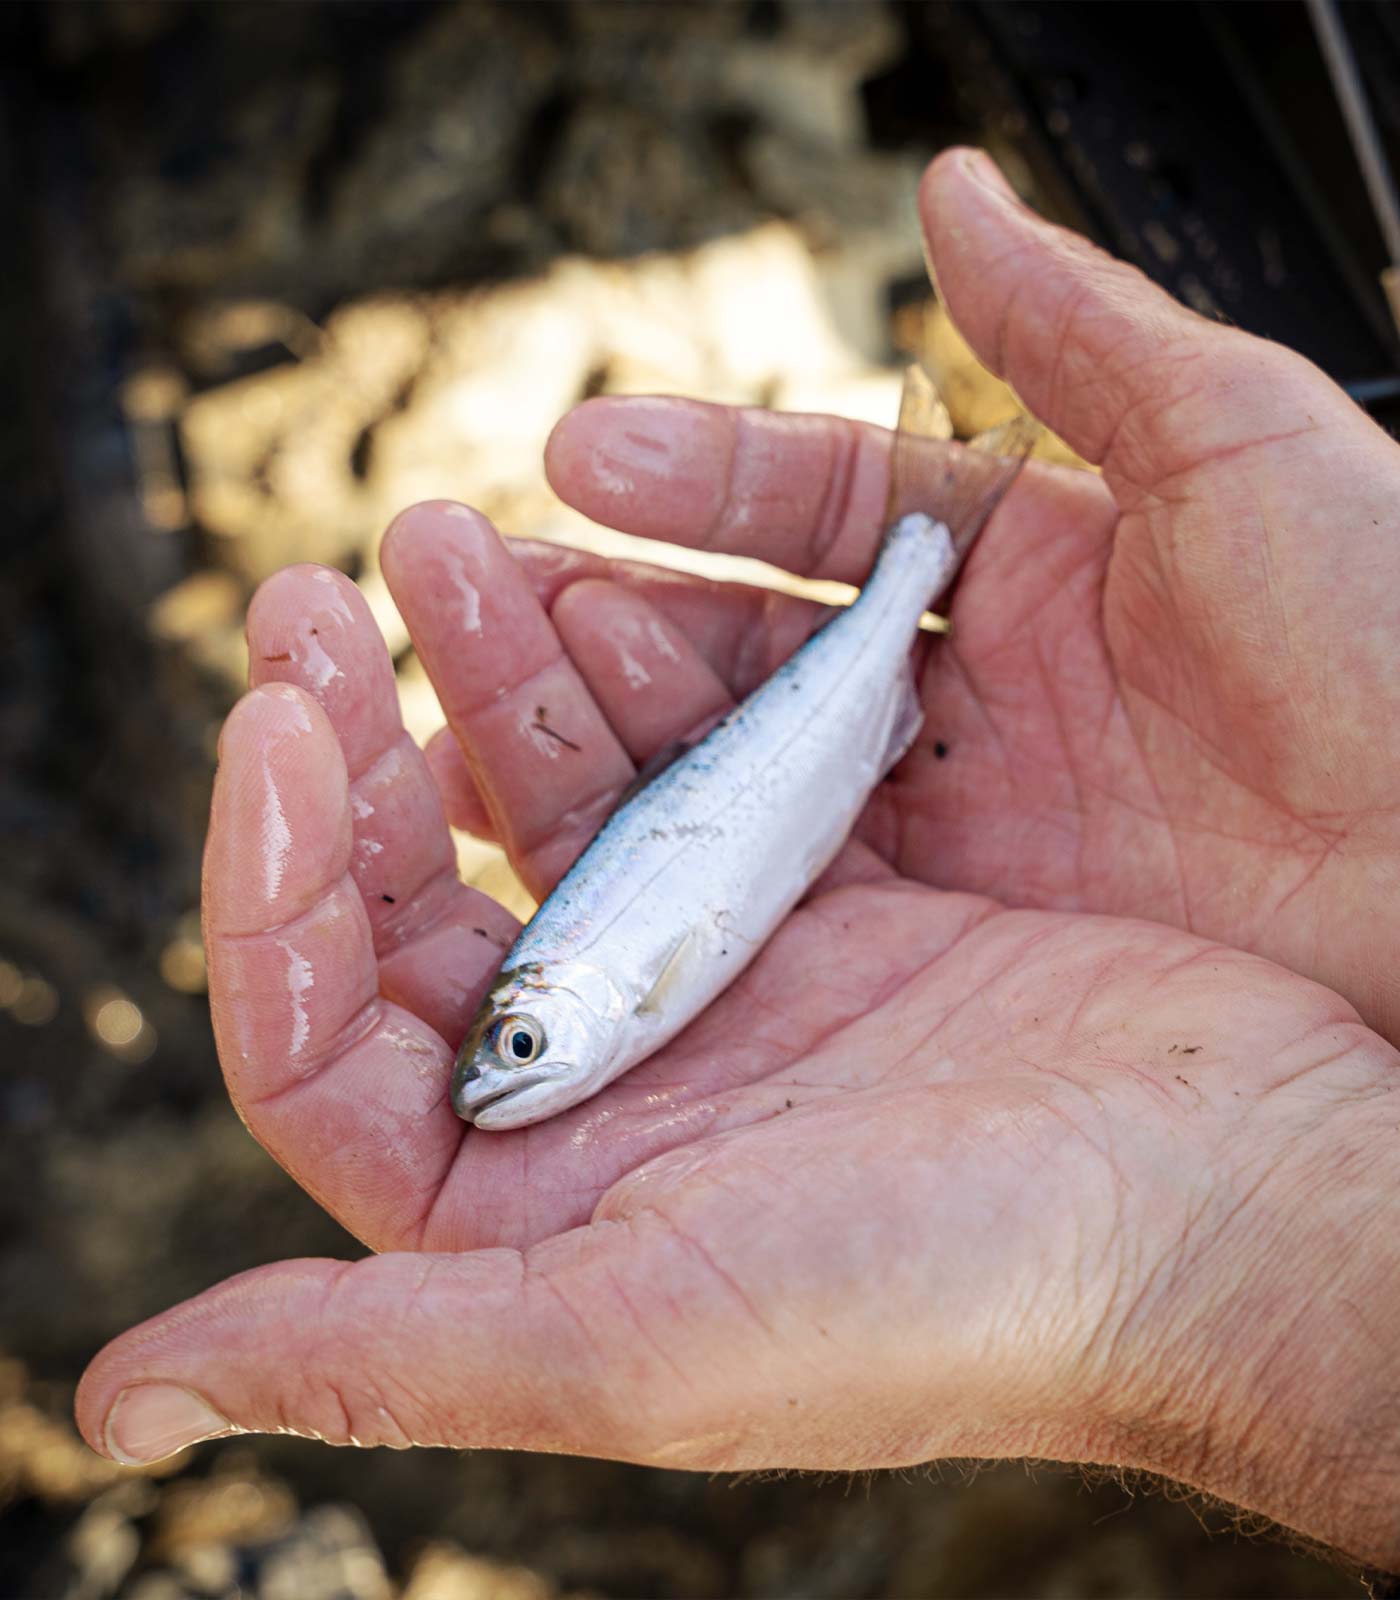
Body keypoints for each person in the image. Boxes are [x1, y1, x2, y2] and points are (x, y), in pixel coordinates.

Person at [74, 148, 1400, 1578]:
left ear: (556, 1003)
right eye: (512, 1041)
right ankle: (928, 525)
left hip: (832, 728)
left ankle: (922, 540)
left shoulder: (599, 991)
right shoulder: (587, 1015)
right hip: (839, 744)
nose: (510, 1065)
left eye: (515, 1035)